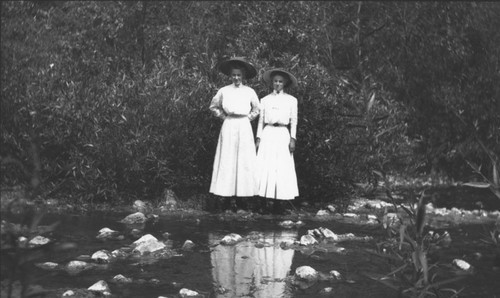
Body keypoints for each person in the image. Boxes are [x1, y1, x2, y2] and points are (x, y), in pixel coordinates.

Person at [208, 57, 260, 212]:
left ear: (243, 76)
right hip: (229, 125)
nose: (236, 78)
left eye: (239, 75)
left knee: (243, 160)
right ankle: (225, 198)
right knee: (227, 159)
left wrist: (247, 118)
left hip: (244, 126)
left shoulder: (250, 91)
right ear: (230, 76)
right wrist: (225, 117)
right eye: (234, 75)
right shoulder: (223, 91)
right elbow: (213, 106)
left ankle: (242, 200)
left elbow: (257, 109)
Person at [255, 68, 299, 214]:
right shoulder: (265, 100)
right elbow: (260, 121)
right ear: (272, 83)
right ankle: (264, 202)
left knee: (281, 167)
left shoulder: (292, 100)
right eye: (275, 81)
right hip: (268, 133)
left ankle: (280, 204)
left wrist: (293, 138)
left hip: (282, 134)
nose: (278, 84)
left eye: (280, 81)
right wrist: (258, 138)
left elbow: (294, 121)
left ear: (285, 83)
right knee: (266, 165)